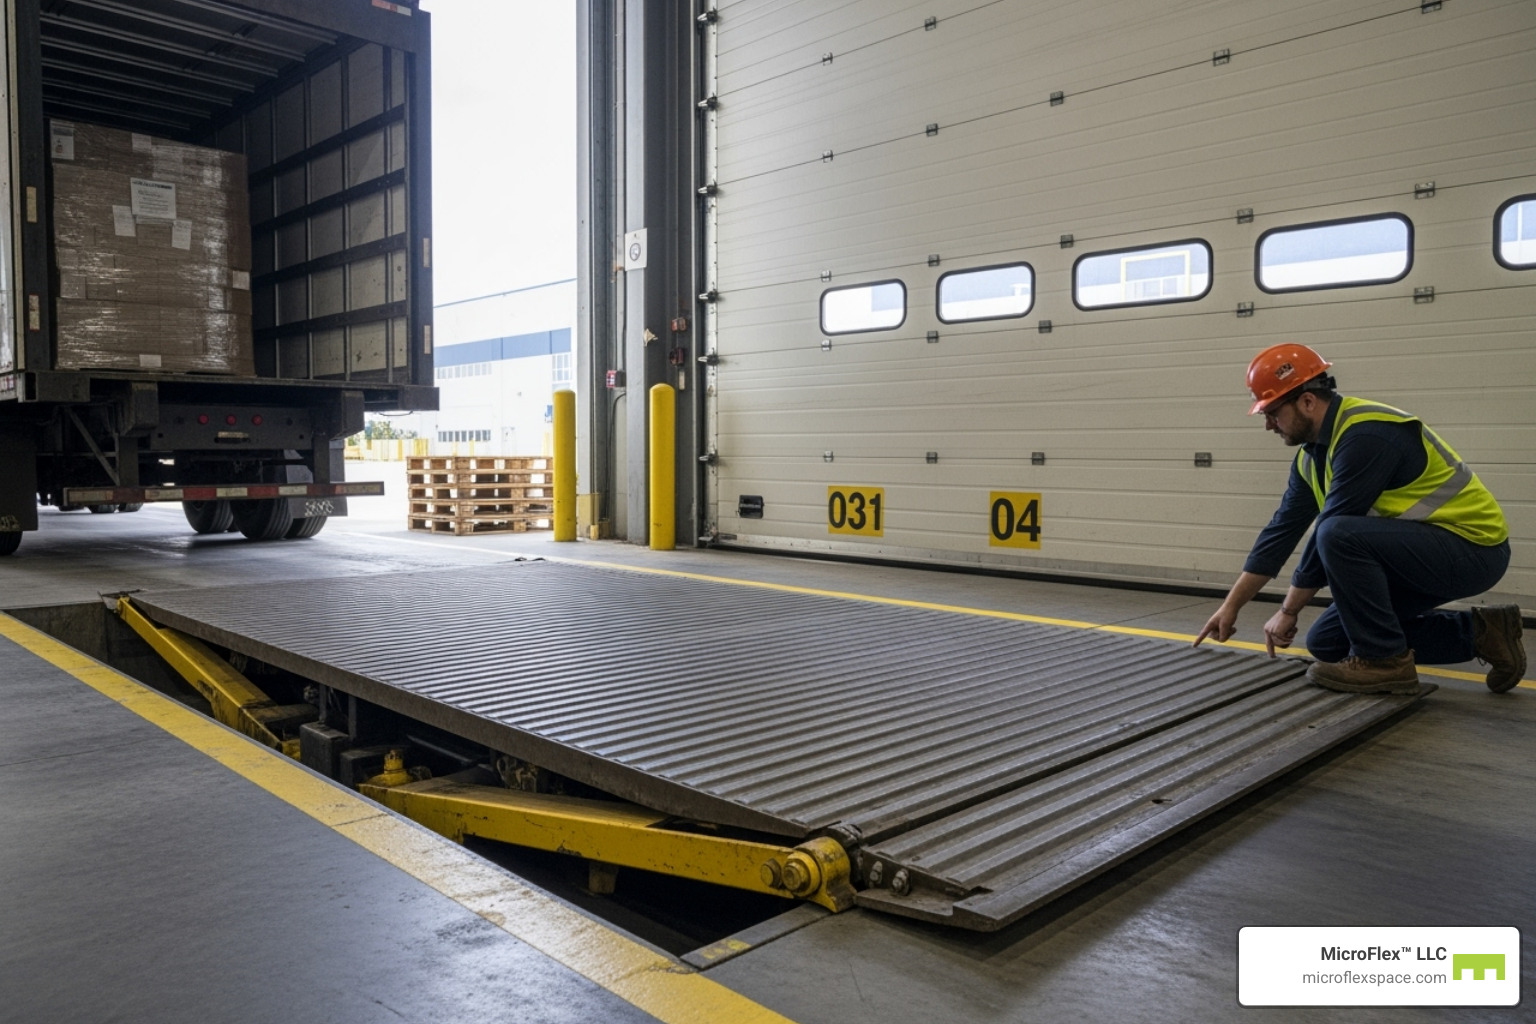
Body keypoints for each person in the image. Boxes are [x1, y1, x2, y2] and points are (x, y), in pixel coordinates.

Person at [1194, 343, 1525, 695]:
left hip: (1473, 549)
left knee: (1337, 533)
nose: (1268, 426)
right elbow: (1280, 532)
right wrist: (1230, 607)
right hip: (1416, 555)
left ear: (1307, 401)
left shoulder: (1367, 434)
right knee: (1327, 643)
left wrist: (1289, 610)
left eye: (1272, 413)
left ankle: (1385, 664)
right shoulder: (1311, 458)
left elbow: (1334, 528)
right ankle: (1485, 633)